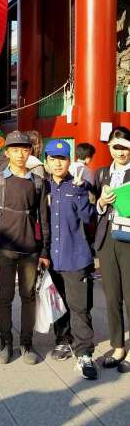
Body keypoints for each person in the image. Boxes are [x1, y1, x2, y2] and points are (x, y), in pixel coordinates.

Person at [0, 130, 50, 365]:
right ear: (7, 153)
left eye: (24, 149)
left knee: (28, 296)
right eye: (15, 150)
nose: (20, 154)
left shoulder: (38, 182)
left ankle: (26, 343)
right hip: (4, 249)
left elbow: (44, 218)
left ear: (30, 151)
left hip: (30, 250)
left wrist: (44, 251)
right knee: (5, 296)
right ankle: (5, 343)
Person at [45, 140, 97, 380]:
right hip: (51, 257)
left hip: (75, 256)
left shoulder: (78, 186)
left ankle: (84, 352)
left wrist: (81, 193)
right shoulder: (43, 186)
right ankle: (63, 339)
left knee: (79, 306)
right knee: (58, 304)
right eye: (53, 159)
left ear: (69, 161)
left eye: (62, 159)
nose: (57, 163)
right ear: (46, 161)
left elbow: (88, 217)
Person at [93, 126, 130, 371]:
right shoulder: (101, 173)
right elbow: (94, 207)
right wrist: (101, 202)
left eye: (125, 147)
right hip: (107, 239)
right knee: (112, 296)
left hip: (128, 239)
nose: (121, 152)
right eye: (116, 147)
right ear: (109, 147)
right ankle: (118, 346)